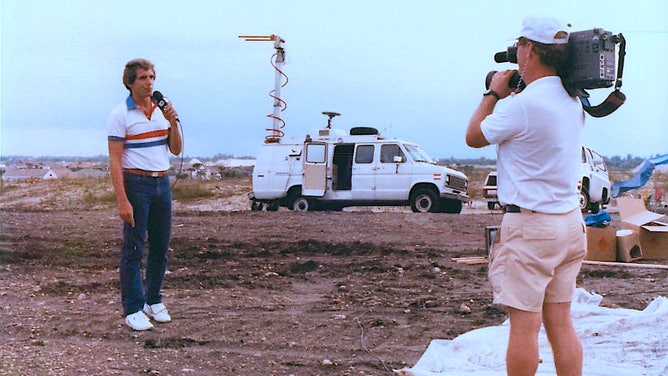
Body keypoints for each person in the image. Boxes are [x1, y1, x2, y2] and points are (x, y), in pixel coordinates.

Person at [466, 17, 586, 376]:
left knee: (524, 326)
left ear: (529, 49)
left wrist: (492, 94)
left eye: (519, 45)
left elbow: (473, 136)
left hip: (532, 228)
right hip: (568, 224)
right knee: (561, 322)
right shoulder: (572, 99)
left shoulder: (521, 106)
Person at [107, 58, 182, 331]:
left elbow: (175, 149)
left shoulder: (162, 111)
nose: (149, 82)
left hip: (162, 183)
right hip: (136, 184)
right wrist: (122, 199)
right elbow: (115, 160)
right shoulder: (120, 115)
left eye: (152, 77)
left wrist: (173, 121)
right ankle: (133, 308)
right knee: (134, 248)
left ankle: (153, 300)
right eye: (142, 78)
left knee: (160, 247)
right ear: (129, 82)